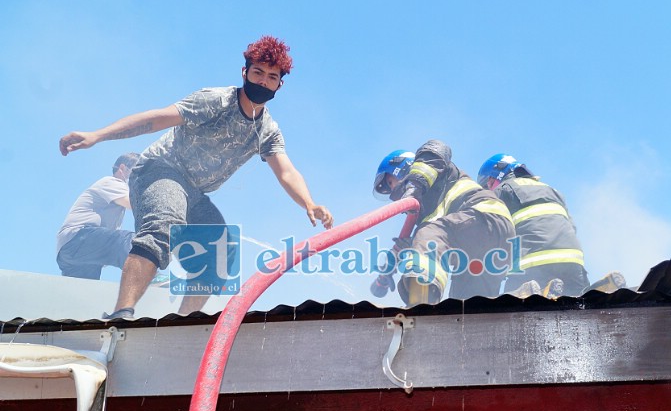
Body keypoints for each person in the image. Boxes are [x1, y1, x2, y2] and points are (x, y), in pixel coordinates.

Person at [59, 36, 334, 319]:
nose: (263, 82)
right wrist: (98, 135)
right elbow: (156, 118)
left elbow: (286, 170)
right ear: (245, 73)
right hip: (159, 170)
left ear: (280, 84)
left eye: (271, 77)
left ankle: (183, 321)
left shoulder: (268, 130)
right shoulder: (216, 101)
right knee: (163, 226)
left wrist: (309, 204)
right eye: (258, 73)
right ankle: (121, 313)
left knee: (220, 252)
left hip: (194, 191)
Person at [372, 140, 516, 306]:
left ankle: (421, 302)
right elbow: (443, 238)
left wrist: (415, 183)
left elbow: (437, 147)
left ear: (402, 168)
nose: (392, 190)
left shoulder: (436, 171)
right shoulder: (428, 212)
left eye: (391, 182)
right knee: (465, 309)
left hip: (486, 218)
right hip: (489, 248)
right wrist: (410, 246)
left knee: (428, 235)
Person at [477, 154, 590, 297]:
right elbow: (572, 227)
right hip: (573, 262)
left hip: (533, 265)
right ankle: (601, 290)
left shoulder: (503, 190)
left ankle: (532, 292)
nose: (488, 189)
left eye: (487, 184)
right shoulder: (552, 190)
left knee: (508, 303)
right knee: (579, 301)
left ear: (494, 177)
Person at [56, 153, 139, 280]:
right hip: (78, 238)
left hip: (72, 253)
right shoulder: (112, 182)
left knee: (84, 292)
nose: (138, 177)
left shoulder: (116, 202)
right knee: (131, 240)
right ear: (122, 168)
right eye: (137, 171)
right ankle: (147, 276)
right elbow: (133, 203)